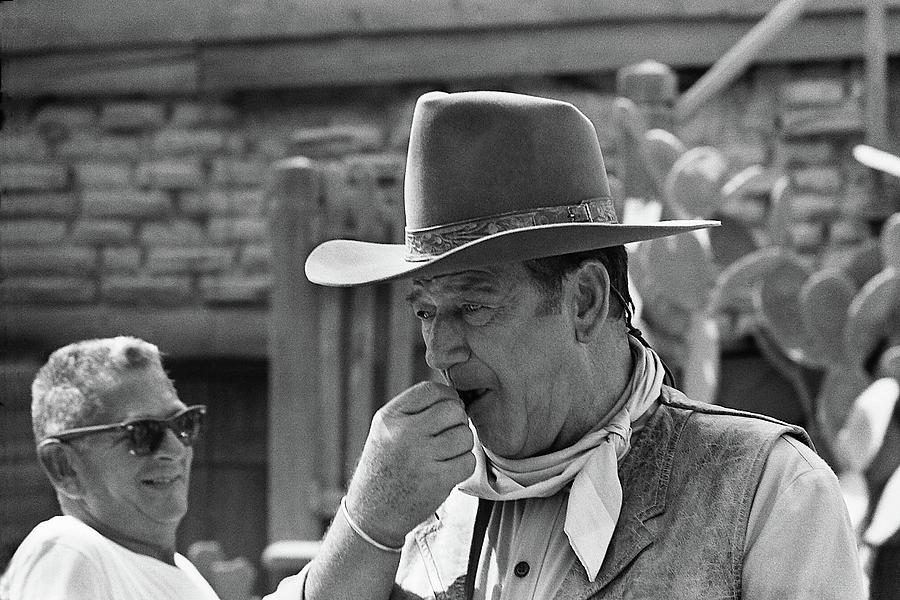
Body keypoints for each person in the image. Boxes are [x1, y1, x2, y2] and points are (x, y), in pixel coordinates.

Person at [268, 91, 865, 599]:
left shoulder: (766, 494)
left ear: (584, 301)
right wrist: (366, 526)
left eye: (473, 306)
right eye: (426, 311)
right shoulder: (411, 504)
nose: (438, 350)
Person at [0, 336, 219, 600]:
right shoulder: (70, 549)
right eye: (142, 433)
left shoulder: (183, 572)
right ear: (64, 467)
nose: (175, 450)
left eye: (184, 424)